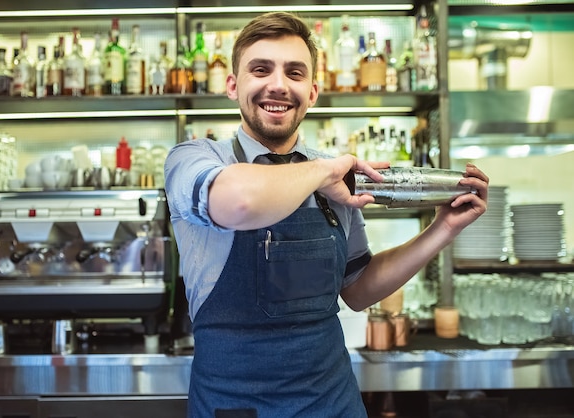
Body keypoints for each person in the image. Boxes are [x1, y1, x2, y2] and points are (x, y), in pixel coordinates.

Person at [164, 11, 489, 418]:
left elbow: (358, 289)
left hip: (332, 404)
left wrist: (443, 229)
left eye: (295, 73)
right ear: (233, 85)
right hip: (235, 407)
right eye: (261, 69)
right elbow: (239, 202)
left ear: (313, 92)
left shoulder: (332, 171)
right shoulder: (194, 158)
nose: (278, 85)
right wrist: (322, 171)